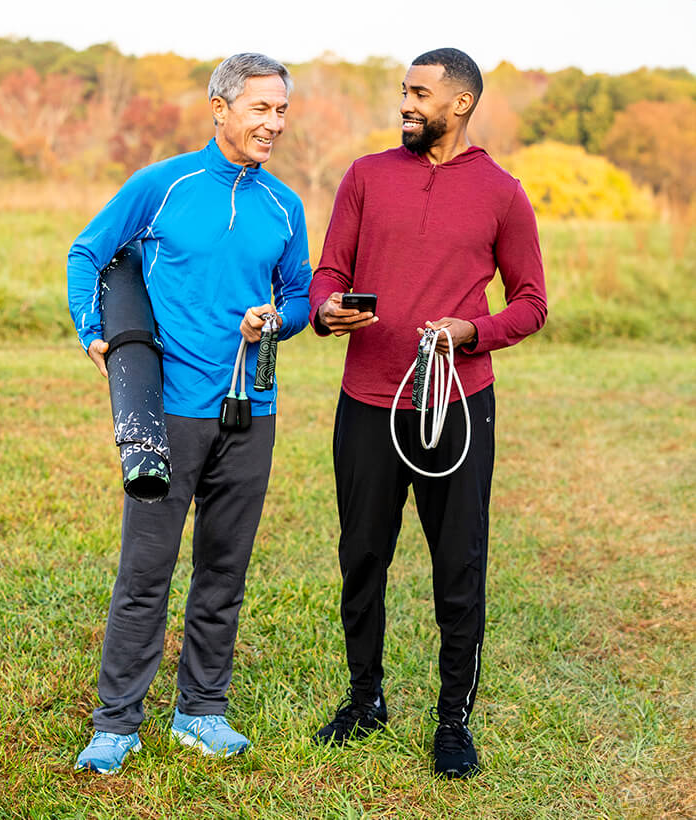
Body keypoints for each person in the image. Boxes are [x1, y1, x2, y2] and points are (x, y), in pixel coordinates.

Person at [67, 53, 311, 773]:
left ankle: (202, 711)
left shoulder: (284, 206)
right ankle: (116, 723)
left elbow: (298, 292)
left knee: (224, 570)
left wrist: (280, 318)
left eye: (283, 111)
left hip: (251, 410)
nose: (274, 123)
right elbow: (89, 251)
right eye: (262, 108)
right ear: (220, 106)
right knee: (146, 571)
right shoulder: (163, 185)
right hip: (169, 410)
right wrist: (94, 330)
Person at [308, 47, 547, 778]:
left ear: (462, 103)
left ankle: (453, 723)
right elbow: (330, 272)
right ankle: (364, 699)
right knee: (363, 558)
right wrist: (325, 311)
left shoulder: (503, 193)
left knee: (460, 567)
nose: (406, 104)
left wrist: (473, 332)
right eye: (403, 92)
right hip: (368, 403)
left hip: (459, 404)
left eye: (419, 93)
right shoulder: (365, 176)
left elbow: (532, 302)